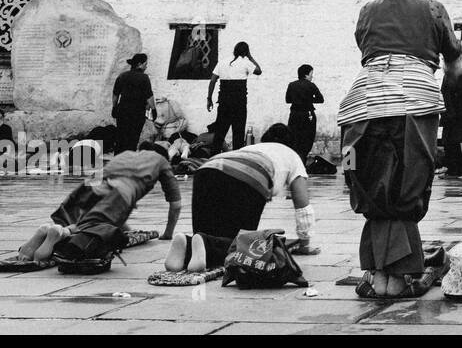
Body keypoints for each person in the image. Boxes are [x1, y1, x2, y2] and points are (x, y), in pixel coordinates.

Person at [337, 0, 462, 298]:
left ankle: (378, 273)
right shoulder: (433, 9)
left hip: (363, 101)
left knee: (369, 180)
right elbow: (453, 57)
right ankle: (398, 277)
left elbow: (366, 48)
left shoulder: (367, 10)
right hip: (415, 100)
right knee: (409, 180)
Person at [165, 123, 318, 271]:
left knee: (208, 236)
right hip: (248, 176)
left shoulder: (249, 148)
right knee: (242, 249)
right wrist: (304, 243)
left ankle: (187, 244)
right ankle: (203, 244)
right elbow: (303, 206)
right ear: (292, 144)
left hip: (207, 171)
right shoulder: (292, 155)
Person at [16, 142, 180, 265]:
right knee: (91, 232)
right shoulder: (162, 162)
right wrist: (168, 234)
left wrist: (124, 229)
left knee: (84, 222)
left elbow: (112, 210)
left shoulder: (128, 154)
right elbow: (176, 205)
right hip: (121, 192)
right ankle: (60, 234)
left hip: (92, 185)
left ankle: (48, 230)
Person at [206, 41, 262, 151]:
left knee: (220, 132)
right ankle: (236, 158)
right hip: (239, 102)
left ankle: (214, 157)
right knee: (238, 133)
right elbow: (259, 71)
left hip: (224, 101)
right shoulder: (246, 62)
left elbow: (212, 81)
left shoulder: (222, 62)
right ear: (246, 52)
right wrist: (250, 57)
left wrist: (209, 98)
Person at [111, 53, 154, 154]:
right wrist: (154, 109)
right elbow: (149, 96)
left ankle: (117, 160)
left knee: (121, 136)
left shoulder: (122, 76)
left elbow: (115, 94)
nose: (146, 66)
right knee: (133, 138)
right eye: (145, 64)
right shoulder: (144, 78)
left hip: (122, 112)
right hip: (137, 113)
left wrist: (114, 107)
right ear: (139, 64)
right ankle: (129, 161)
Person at [284, 64, 324, 161]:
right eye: (311, 74)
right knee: (307, 139)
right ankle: (303, 160)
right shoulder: (311, 85)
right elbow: (320, 99)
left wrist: (298, 99)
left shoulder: (292, 85)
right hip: (308, 114)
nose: (312, 76)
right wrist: (309, 100)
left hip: (294, 114)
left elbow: (288, 100)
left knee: (294, 138)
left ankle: (295, 161)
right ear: (306, 75)